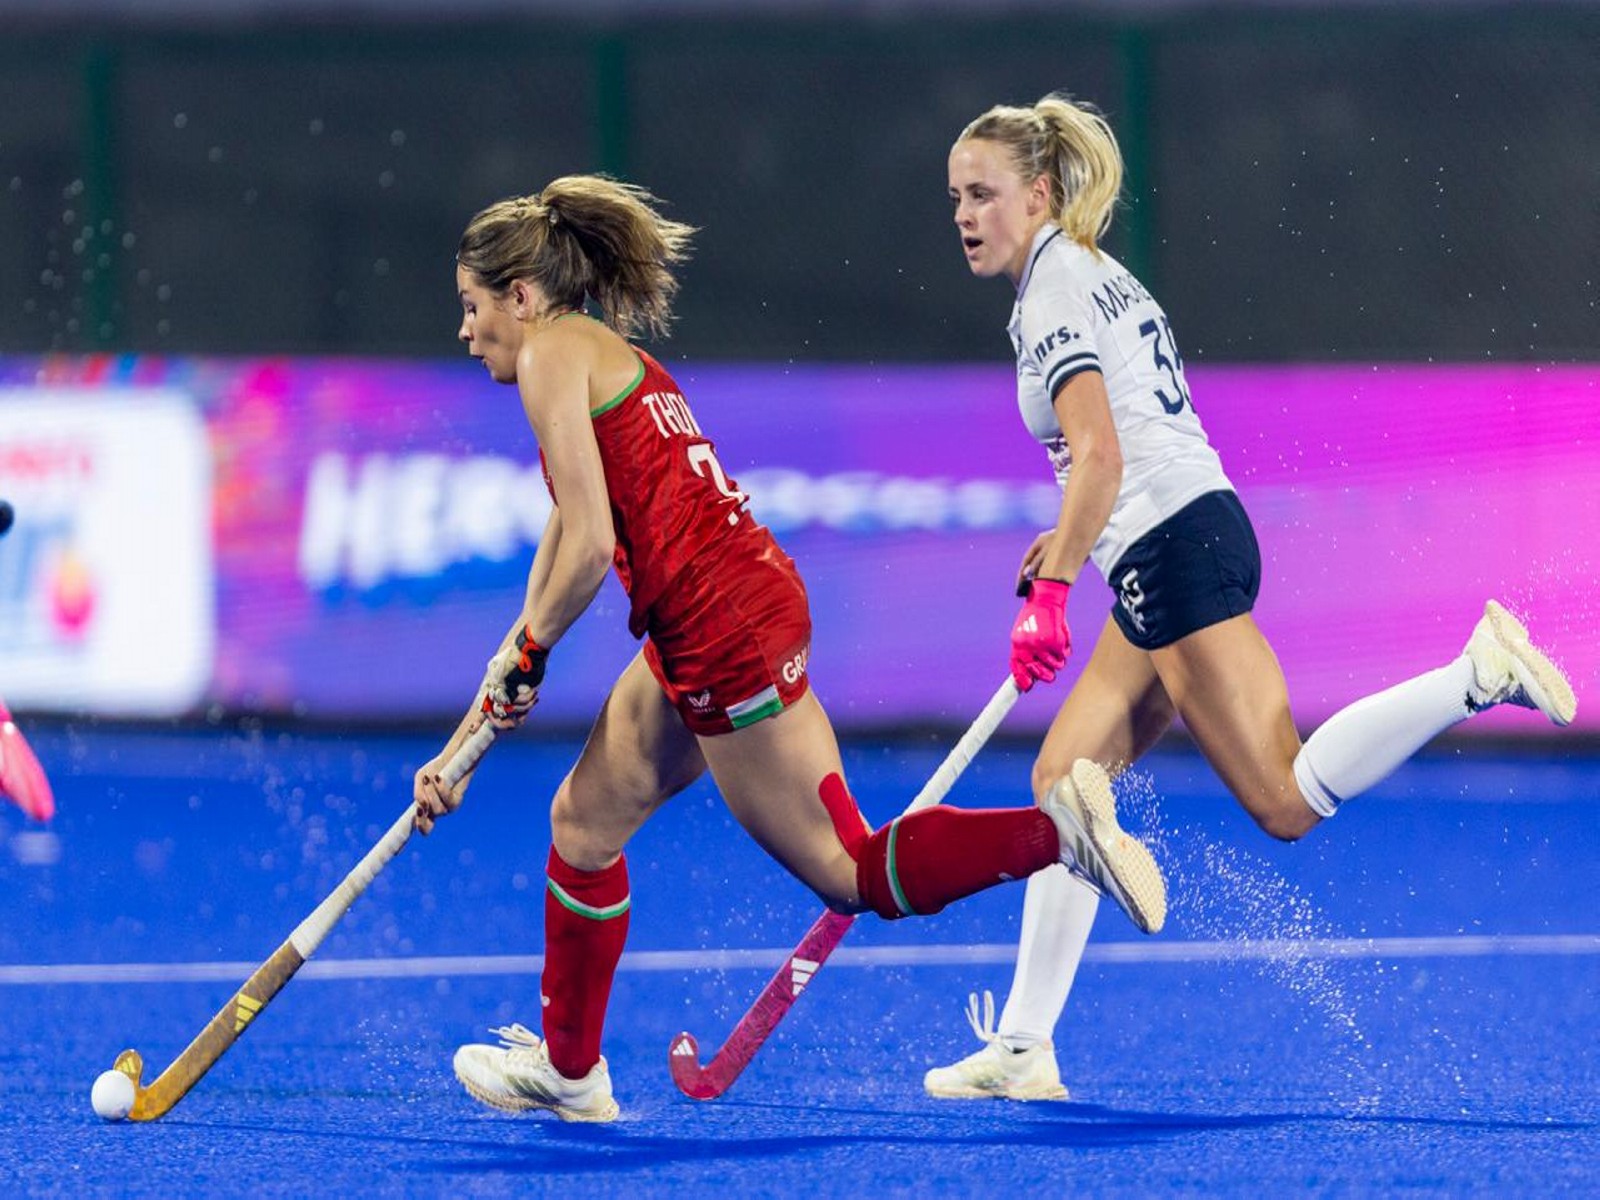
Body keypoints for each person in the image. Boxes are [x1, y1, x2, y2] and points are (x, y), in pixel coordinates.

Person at [410, 174, 1166, 1124]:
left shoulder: (551, 355)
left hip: (719, 629)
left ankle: (1059, 837)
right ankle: (570, 1073)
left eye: (472, 307)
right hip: (725, 609)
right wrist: (487, 705)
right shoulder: (598, 352)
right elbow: (571, 527)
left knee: (850, 872)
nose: (466, 330)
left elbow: (595, 546)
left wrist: (530, 651)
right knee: (582, 825)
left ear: (521, 297)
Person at [925, 93, 1578, 1103]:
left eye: (985, 194)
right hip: (1184, 534)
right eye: (956, 198)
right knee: (1064, 783)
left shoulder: (1052, 293)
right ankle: (1022, 1049)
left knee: (1280, 798)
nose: (967, 215)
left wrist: (1050, 592)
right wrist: (1066, 543)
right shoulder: (1091, 270)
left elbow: (1101, 456)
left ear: (1040, 193)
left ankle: (1474, 675)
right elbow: (1122, 448)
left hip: (1169, 550)